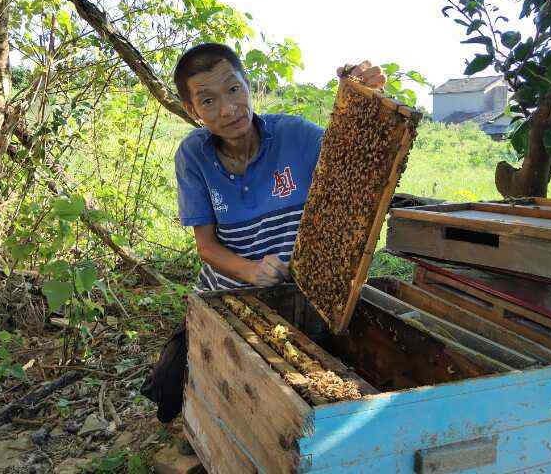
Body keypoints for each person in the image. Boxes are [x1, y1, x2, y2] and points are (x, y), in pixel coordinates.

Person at [141, 43, 385, 425]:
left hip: (299, 292)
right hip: (226, 295)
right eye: (208, 100)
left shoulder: (297, 136)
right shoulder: (193, 156)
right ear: (192, 111)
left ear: (248, 84)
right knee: (171, 388)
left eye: (234, 90)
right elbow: (206, 247)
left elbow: (354, 153)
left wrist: (362, 99)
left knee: (307, 391)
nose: (228, 109)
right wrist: (251, 271)